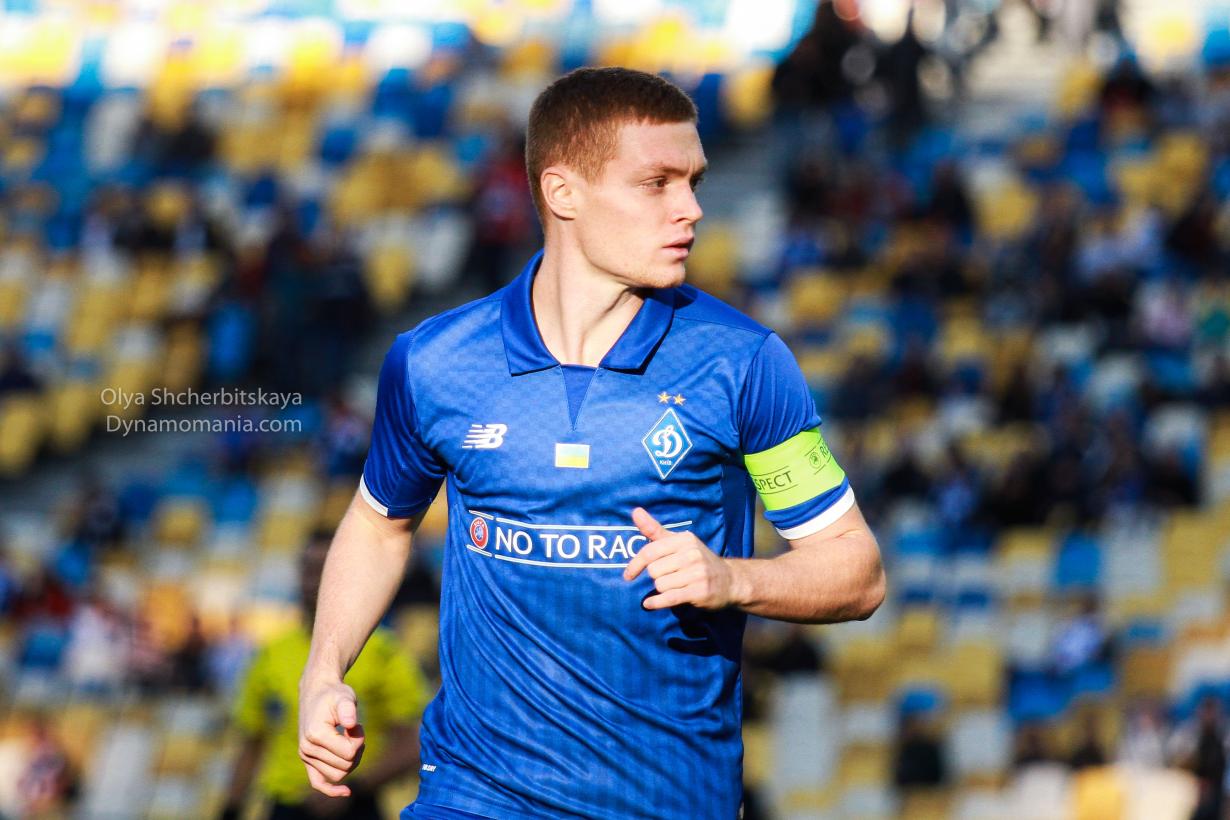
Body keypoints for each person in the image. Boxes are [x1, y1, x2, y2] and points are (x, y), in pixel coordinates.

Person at [298, 66, 885, 819]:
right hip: (473, 797)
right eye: (657, 183)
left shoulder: (742, 364)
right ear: (562, 192)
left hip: (668, 802)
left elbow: (857, 571)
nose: (692, 208)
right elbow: (380, 526)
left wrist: (733, 579)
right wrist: (323, 671)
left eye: (694, 181)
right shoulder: (435, 361)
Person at [224, 534, 428, 819]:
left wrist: (357, 787)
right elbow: (252, 742)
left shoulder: (383, 652)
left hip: (356, 805)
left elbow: (411, 744)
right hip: (286, 807)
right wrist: (231, 807)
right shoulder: (272, 654)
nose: (312, 581)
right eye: (307, 569)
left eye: (324, 569)